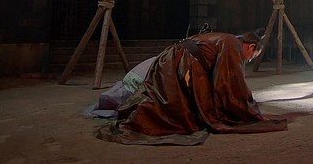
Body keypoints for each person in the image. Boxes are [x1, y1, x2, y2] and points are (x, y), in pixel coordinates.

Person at [96, 29, 287, 145]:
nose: (249, 60)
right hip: (180, 62)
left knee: (168, 103)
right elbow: (232, 84)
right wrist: (252, 112)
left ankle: (133, 114)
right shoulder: (232, 44)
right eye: (252, 57)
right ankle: (136, 120)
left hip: (174, 59)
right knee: (171, 110)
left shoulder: (226, 39)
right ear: (250, 47)